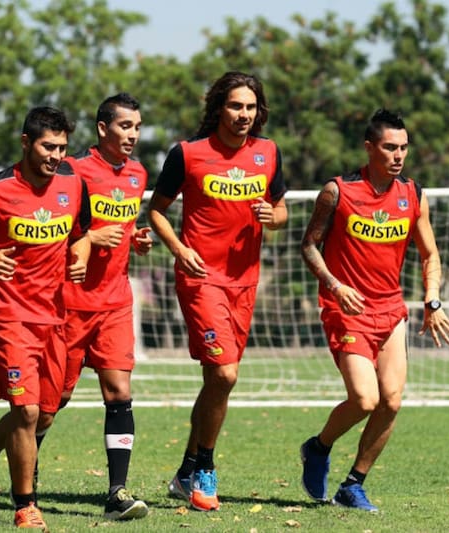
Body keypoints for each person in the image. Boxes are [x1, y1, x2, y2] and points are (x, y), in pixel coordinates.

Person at [298, 108, 449, 512]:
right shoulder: (338, 191)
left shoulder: (414, 195)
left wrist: (432, 300)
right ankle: (318, 448)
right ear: (369, 148)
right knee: (365, 399)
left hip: (391, 311)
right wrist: (334, 285)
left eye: (403, 147)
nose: (398, 155)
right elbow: (309, 245)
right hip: (346, 309)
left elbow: (430, 253)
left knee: (392, 401)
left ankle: (353, 484)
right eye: (389, 147)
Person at [147, 71, 288, 512]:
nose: (243, 115)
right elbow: (156, 211)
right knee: (226, 375)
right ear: (218, 108)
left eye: (250, 107)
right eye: (235, 106)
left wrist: (274, 216)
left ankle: (185, 470)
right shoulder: (188, 154)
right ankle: (205, 467)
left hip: (245, 282)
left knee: (216, 382)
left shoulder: (268, 153)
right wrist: (178, 248)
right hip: (201, 278)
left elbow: (282, 209)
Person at [0, 106, 91, 530]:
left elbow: (81, 235)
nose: (55, 155)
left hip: (56, 316)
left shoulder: (73, 184)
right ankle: (26, 505)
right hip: (9, 316)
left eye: (62, 148)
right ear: (26, 142)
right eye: (49, 146)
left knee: (45, 413)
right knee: (27, 412)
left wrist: (80, 257)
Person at [39, 93, 153, 521]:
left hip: (115, 303)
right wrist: (86, 240)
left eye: (138, 127)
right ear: (103, 128)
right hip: (68, 304)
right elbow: (50, 226)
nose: (133, 135)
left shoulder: (138, 174)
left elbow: (123, 228)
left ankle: (117, 493)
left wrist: (135, 238)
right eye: (126, 126)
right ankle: (2, 459)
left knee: (119, 393)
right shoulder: (72, 171)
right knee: (53, 402)